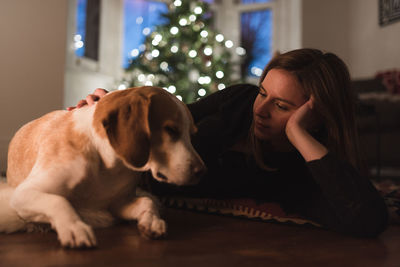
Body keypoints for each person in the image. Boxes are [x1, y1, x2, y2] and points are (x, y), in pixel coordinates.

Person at [71, 48, 388, 237]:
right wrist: (112, 114)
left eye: (281, 106)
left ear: (315, 117)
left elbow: (369, 220)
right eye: (263, 93)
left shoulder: (302, 172)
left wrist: (299, 135)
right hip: (117, 183)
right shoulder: (240, 100)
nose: (260, 110)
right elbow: (170, 121)